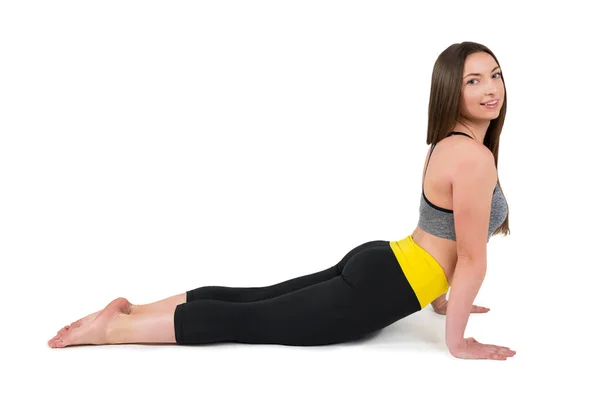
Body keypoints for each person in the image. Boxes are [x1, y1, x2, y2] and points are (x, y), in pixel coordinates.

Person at [48, 41, 516, 360]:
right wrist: (458, 343)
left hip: (387, 261)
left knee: (256, 300)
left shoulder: (449, 144)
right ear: (450, 89)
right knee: (250, 319)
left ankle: (133, 310)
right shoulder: (473, 158)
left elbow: (442, 232)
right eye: (473, 80)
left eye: (494, 74)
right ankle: (115, 329)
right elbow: (471, 257)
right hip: (387, 284)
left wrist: (441, 301)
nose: (490, 88)